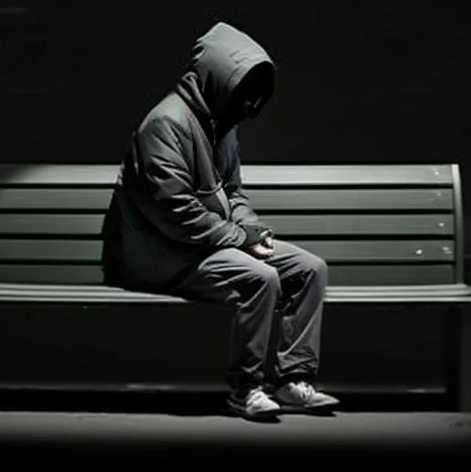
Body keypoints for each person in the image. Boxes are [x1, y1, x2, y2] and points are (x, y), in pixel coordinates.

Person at [100, 21, 339, 420]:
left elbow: (233, 193)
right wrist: (239, 236)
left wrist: (253, 231)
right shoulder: (165, 125)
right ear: (219, 77)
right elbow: (174, 212)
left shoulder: (220, 124)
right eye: (243, 87)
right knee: (260, 279)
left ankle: (291, 380)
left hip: (202, 243)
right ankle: (246, 389)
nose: (249, 101)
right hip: (161, 253)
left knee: (310, 269)